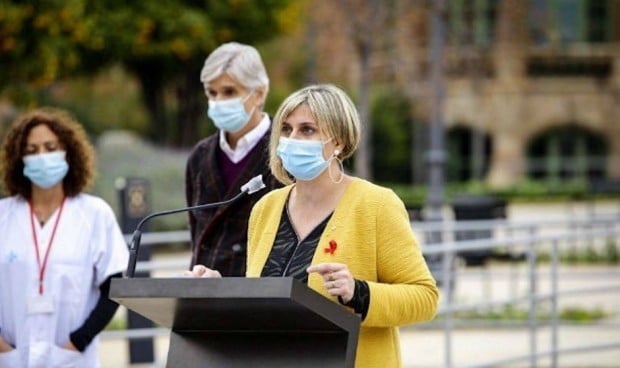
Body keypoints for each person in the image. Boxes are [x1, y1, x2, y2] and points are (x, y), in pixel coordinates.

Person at [188, 84, 440, 367]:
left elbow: (425, 297)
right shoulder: (265, 208)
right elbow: (263, 304)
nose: (292, 138)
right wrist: (220, 291)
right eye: (286, 129)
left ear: (340, 141)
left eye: (307, 129)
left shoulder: (376, 205)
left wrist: (358, 292)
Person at [0, 107, 129, 368]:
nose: (42, 156)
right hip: (11, 357)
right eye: (31, 150)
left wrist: (78, 342)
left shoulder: (94, 214)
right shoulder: (3, 216)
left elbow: (115, 287)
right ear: (19, 158)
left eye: (50, 147)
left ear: (68, 153)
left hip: (72, 359)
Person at [186, 42, 281, 276]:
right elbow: (196, 235)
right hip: (201, 301)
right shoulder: (199, 157)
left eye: (229, 92)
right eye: (212, 92)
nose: (218, 101)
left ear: (258, 93)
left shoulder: (284, 153)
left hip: (259, 302)